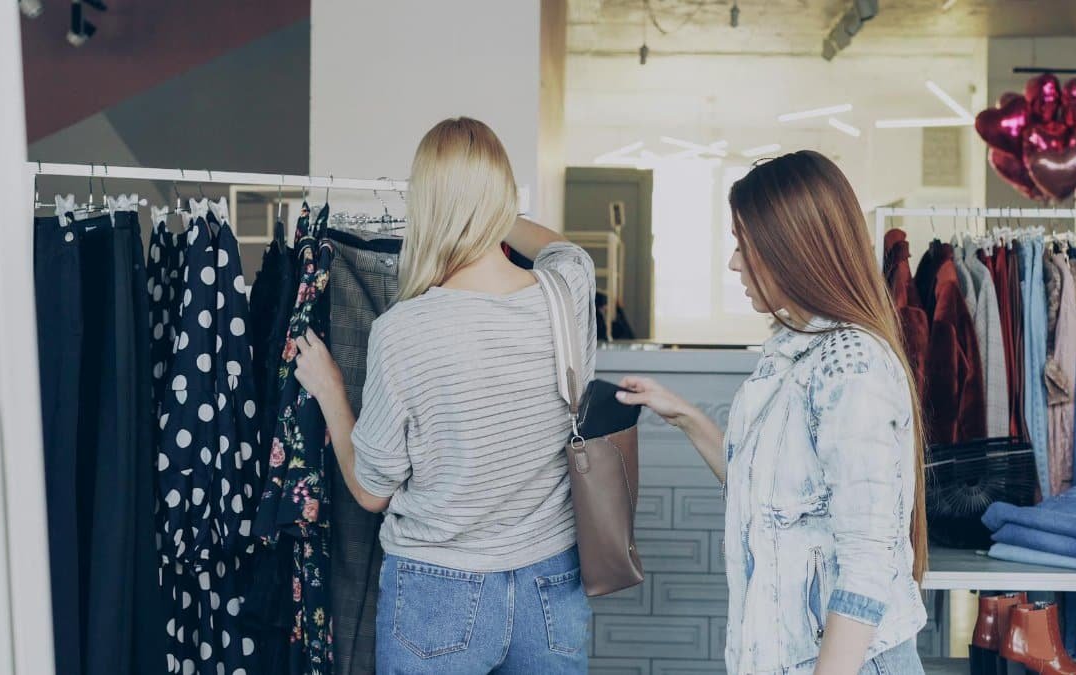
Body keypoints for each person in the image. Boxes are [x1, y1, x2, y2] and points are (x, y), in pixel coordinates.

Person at [292, 117, 597, 674]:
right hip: (553, 582)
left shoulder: (404, 330)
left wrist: (332, 390)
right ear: (502, 199)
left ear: (426, 204)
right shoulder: (568, 290)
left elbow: (371, 492)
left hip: (438, 590)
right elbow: (558, 246)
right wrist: (496, 213)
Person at [616, 151, 929, 675]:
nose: (734, 262)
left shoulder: (850, 365)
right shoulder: (794, 350)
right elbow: (767, 496)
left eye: (743, 245)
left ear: (790, 250)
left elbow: (867, 563)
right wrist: (686, 416)